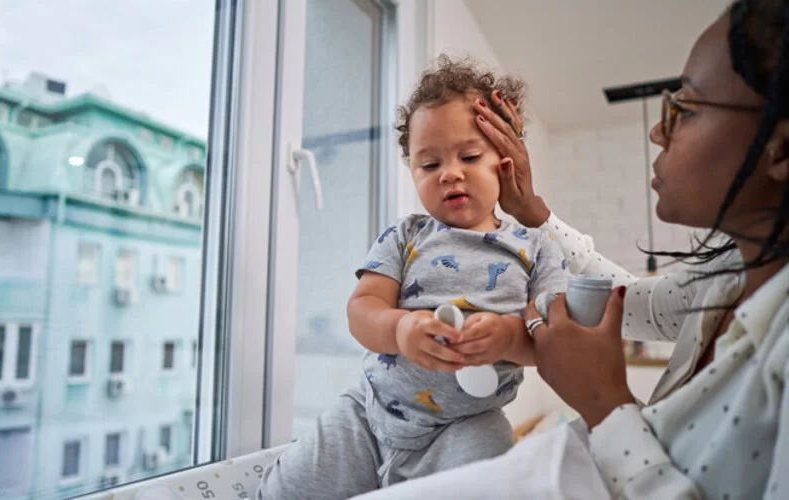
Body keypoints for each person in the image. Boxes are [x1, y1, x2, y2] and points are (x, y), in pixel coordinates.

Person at [353, 0, 789, 498]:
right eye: (428, 163)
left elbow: (553, 326)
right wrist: (532, 210)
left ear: (782, 148)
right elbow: (627, 300)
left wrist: (605, 403)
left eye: (684, 108)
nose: (658, 129)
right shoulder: (723, 282)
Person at [257, 57, 569, 500]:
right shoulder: (406, 235)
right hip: (370, 411)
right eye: (429, 164)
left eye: (470, 156)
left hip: (464, 426)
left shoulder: (537, 247)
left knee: (493, 462)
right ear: (413, 173)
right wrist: (400, 328)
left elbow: (553, 342)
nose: (450, 172)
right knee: (285, 492)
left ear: (503, 160)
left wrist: (506, 337)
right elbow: (362, 308)